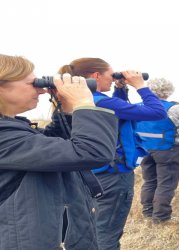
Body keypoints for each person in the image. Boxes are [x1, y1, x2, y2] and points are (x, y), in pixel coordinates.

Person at [0, 53, 118, 250]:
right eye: (33, 83)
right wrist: (84, 104)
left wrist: (67, 109)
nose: (41, 89)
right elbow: (90, 152)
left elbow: (51, 148)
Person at [58, 58, 167, 250]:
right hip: (112, 176)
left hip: (87, 174)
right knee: (107, 233)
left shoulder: (81, 100)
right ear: (96, 76)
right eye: (111, 75)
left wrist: (120, 89)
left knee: (85, 230)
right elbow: (156, 112)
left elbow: (117, 118)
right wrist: (140, 86)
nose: (112, 78)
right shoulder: (103, 101)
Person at [136, 78, 179, 224]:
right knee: (166, 184)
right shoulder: (174, 108)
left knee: (149, 182)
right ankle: (161, 218)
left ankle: (148, 214)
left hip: (144, 151)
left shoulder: (138, 107)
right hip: (168, 152)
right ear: (168, 91)